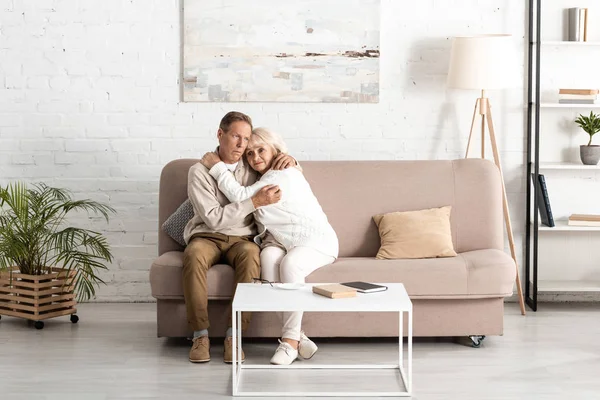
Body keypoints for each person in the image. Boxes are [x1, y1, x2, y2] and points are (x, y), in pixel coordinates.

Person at [200, 127, 339, 365]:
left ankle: (290, 342)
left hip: (316, 241)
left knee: (291, 266)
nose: (255, 158)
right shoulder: (266, 175)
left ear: (275, 149)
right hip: (283, 242)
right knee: (267, 259)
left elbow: (240, 195)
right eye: (250, 154)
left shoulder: (283, 173)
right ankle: (298, 336)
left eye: (261, 150)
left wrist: (216, 166)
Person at [183, 112, 297, 364]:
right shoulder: (199, 172)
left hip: (243, 239)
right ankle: (200, 335)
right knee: (193, 255)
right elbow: (213, 218)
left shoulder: (253, 165)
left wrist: (291, 159)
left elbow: (281, 171)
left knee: (251, 257)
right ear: (220, 134)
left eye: (245, 139)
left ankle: (234, 336)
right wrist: (253, 202)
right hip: (206, 235)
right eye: (236, 136)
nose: (241, 145)